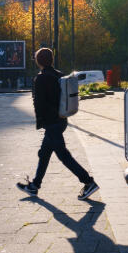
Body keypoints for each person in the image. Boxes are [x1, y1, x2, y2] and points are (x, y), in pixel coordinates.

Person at [17, 47, 99, 199]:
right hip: (61, 120)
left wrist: (41, 122)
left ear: (38, 61)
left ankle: (88, 182)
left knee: (63, 156)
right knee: (44, 154)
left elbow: (39, 104)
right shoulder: (59, 75)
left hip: (51, 123)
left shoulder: (41, 78)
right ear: (51, 60)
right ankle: (34, 186)